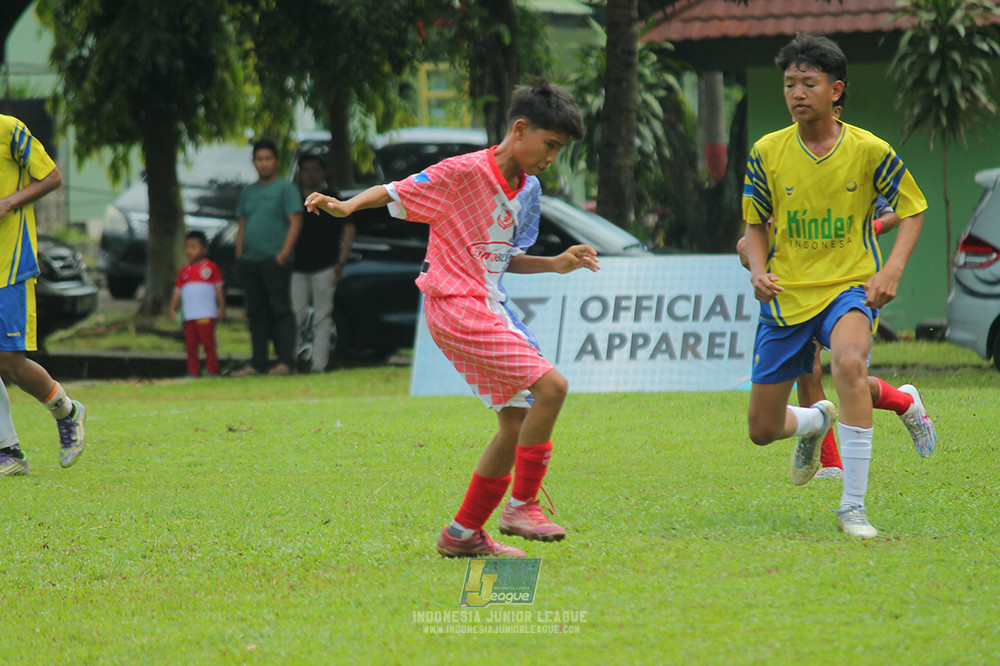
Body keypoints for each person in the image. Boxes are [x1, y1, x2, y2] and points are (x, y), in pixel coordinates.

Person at [306, 79, 596, 557]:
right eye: (549, 144)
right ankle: (521, 506)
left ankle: (462, 534)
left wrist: (554, 263)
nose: (552, 157)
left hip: (483, 304)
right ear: (520, 129)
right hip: (456, 303)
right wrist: (347, 205)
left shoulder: (528, 190)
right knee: (553, 387)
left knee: (516, 422)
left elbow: (502, 258)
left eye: (558, 149)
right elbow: (394, 190)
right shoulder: (464, 172)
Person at [742, 33, 936, 538]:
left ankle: (853, 506)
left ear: (836, 90)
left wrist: (891, 270)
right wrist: (758, 270)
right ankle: (816, 420)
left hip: (848, 288)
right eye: (790, 83)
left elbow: (913, 210)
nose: (797, 92)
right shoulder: (766, 152)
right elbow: (754, 226)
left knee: (848, 365)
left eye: (808, 82)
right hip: (787, 296)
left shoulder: (870, 150)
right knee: (762, 429)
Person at [737, 199, 934, 481]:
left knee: (850, 375)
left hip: (845, 284)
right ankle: (830, 463)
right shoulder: (776, 174)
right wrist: (750, 253)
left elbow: (894, 214)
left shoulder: (852, 173)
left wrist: (869, 228)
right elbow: (757, 229)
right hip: (798, 289)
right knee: (808, 371)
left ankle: (904, 402)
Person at [0, 114, 86, 476]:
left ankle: (67, 411)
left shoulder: (9, 129)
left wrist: (9, 202)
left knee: (9, 362)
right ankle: (8, 451)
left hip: (10, 264)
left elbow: (52, 177)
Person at [232, 139, 302, 376]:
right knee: (255, 313)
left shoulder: (286, 188)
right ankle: (257, 363)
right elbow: (242, 223)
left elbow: (295, 221)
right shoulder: (248, 191)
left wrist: (283, 255)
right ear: (253, 162)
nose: (264, 164)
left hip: (274, 260)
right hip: (250, 260)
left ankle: (285, 362)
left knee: (281, 310)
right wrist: (239, 255)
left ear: (276, 161)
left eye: (268, 159)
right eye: (259, 159)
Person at [291, 154, 355, 373]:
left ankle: (319, 364)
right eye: (306, 170)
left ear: (322, 173)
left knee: (322, 316)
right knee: (295, 314)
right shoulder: (293, 198)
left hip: (326, 265)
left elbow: (348, 229)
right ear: (300, 173)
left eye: (315, 170)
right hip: (297, 266)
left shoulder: (332, 197)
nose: (311, 175)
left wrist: (341, 261)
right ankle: (290, 362)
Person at [169, 230, 225, 377]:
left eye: (194, 247)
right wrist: (173, 308)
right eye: (187, 247)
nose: (190, 251)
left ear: (204, 249)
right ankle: (193, 371)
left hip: (206, 314)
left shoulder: (211, 268)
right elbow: (178, 291)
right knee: (190, 345)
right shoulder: (184, 271)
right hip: (189, 315)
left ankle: (212, 370)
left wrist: (221, 307)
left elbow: (219, 288)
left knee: (208, 343)